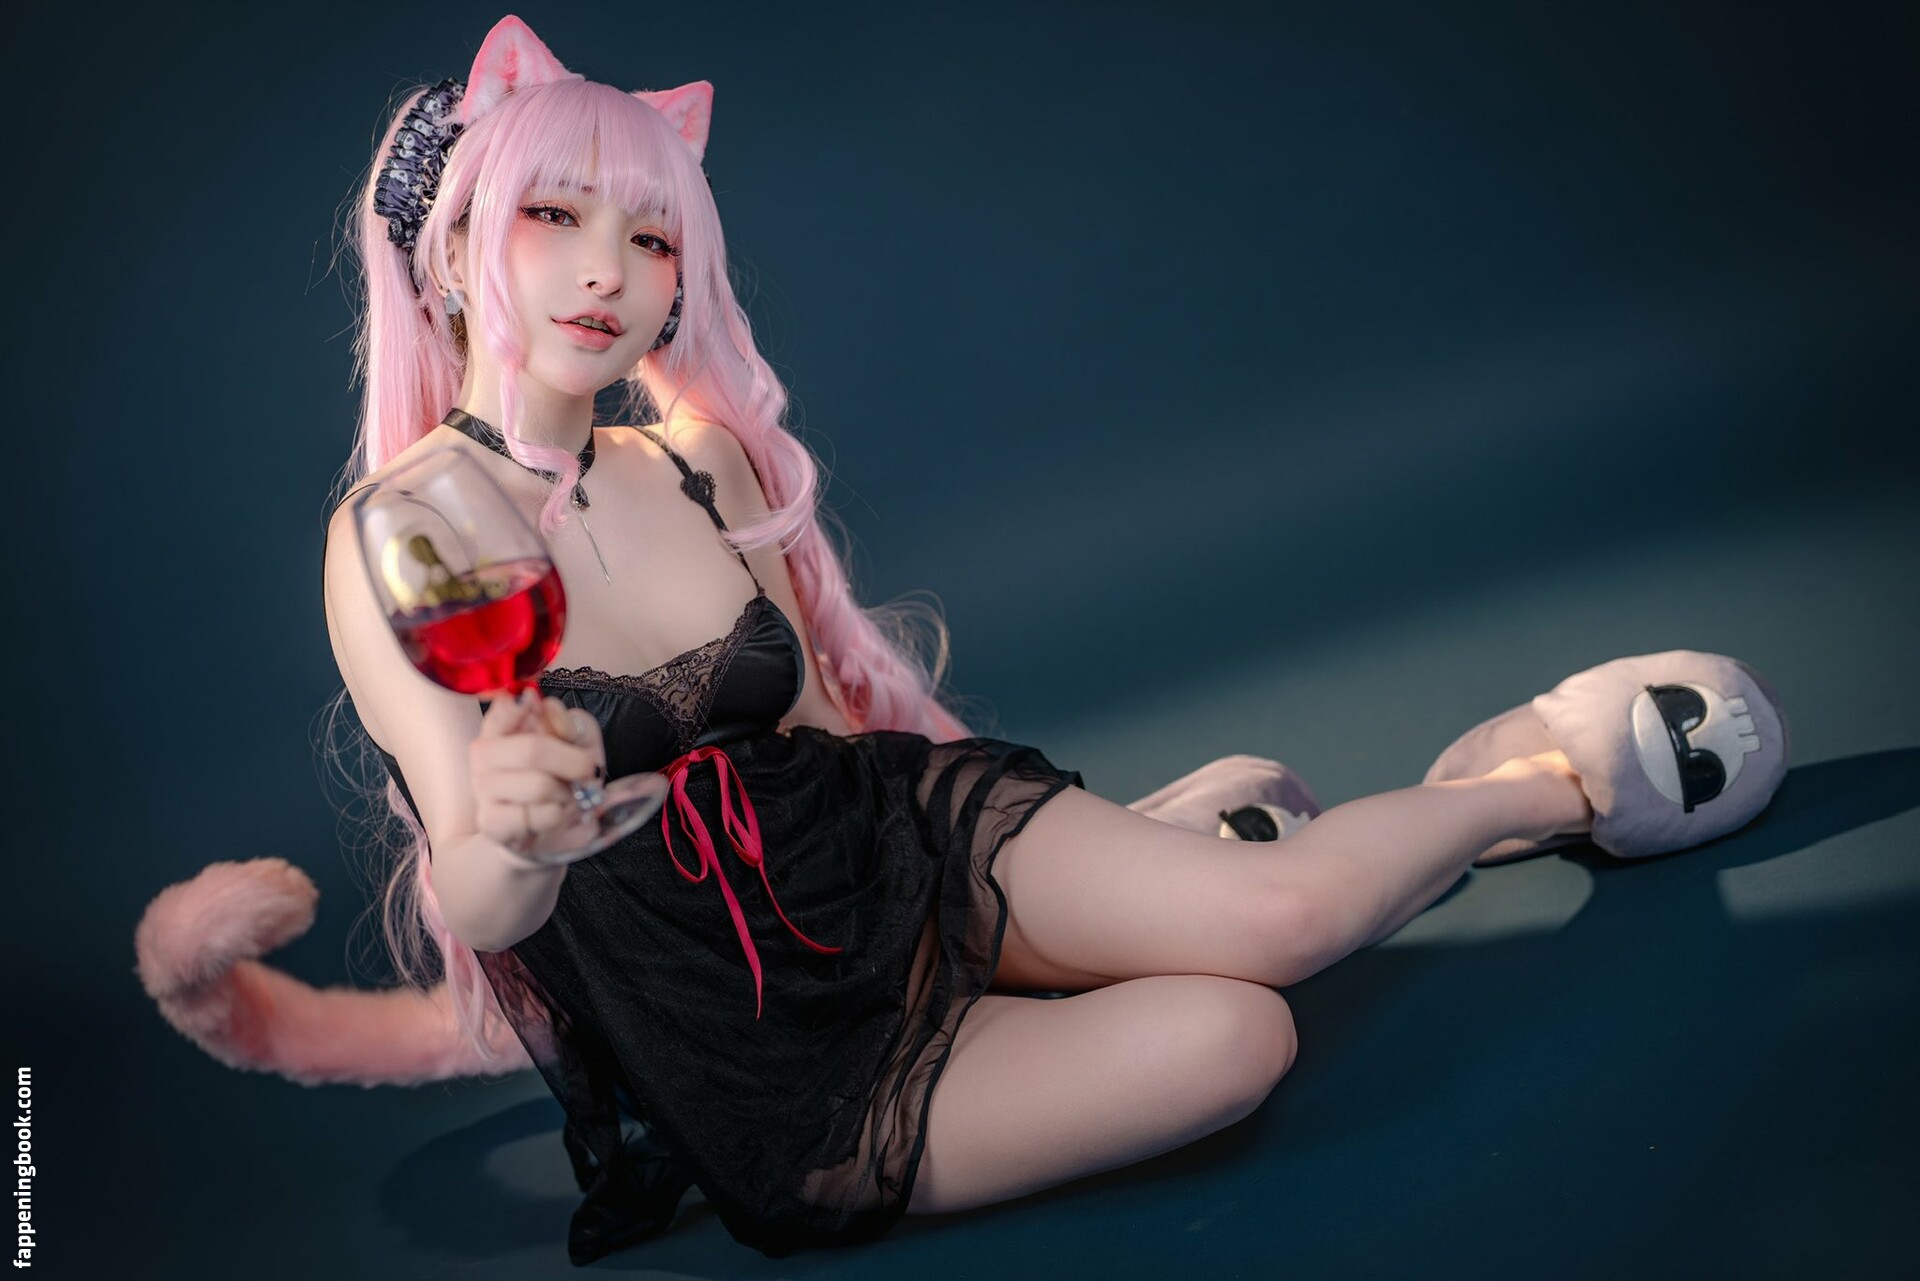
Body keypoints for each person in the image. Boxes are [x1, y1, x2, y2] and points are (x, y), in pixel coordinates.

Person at [318, 14, 1600, 1265]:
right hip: (775, 1057)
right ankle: (1153, 886)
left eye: (651, 238)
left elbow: (818, 732)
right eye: (554, 216)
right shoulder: (409, 532)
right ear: (451, 243)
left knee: (1287, 915)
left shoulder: (699, 461)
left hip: (899, 851)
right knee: (1237, 1041)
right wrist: (517, 836)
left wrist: (1003, 897)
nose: (607, 272)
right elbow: (482, 897)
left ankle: (1547, 779)